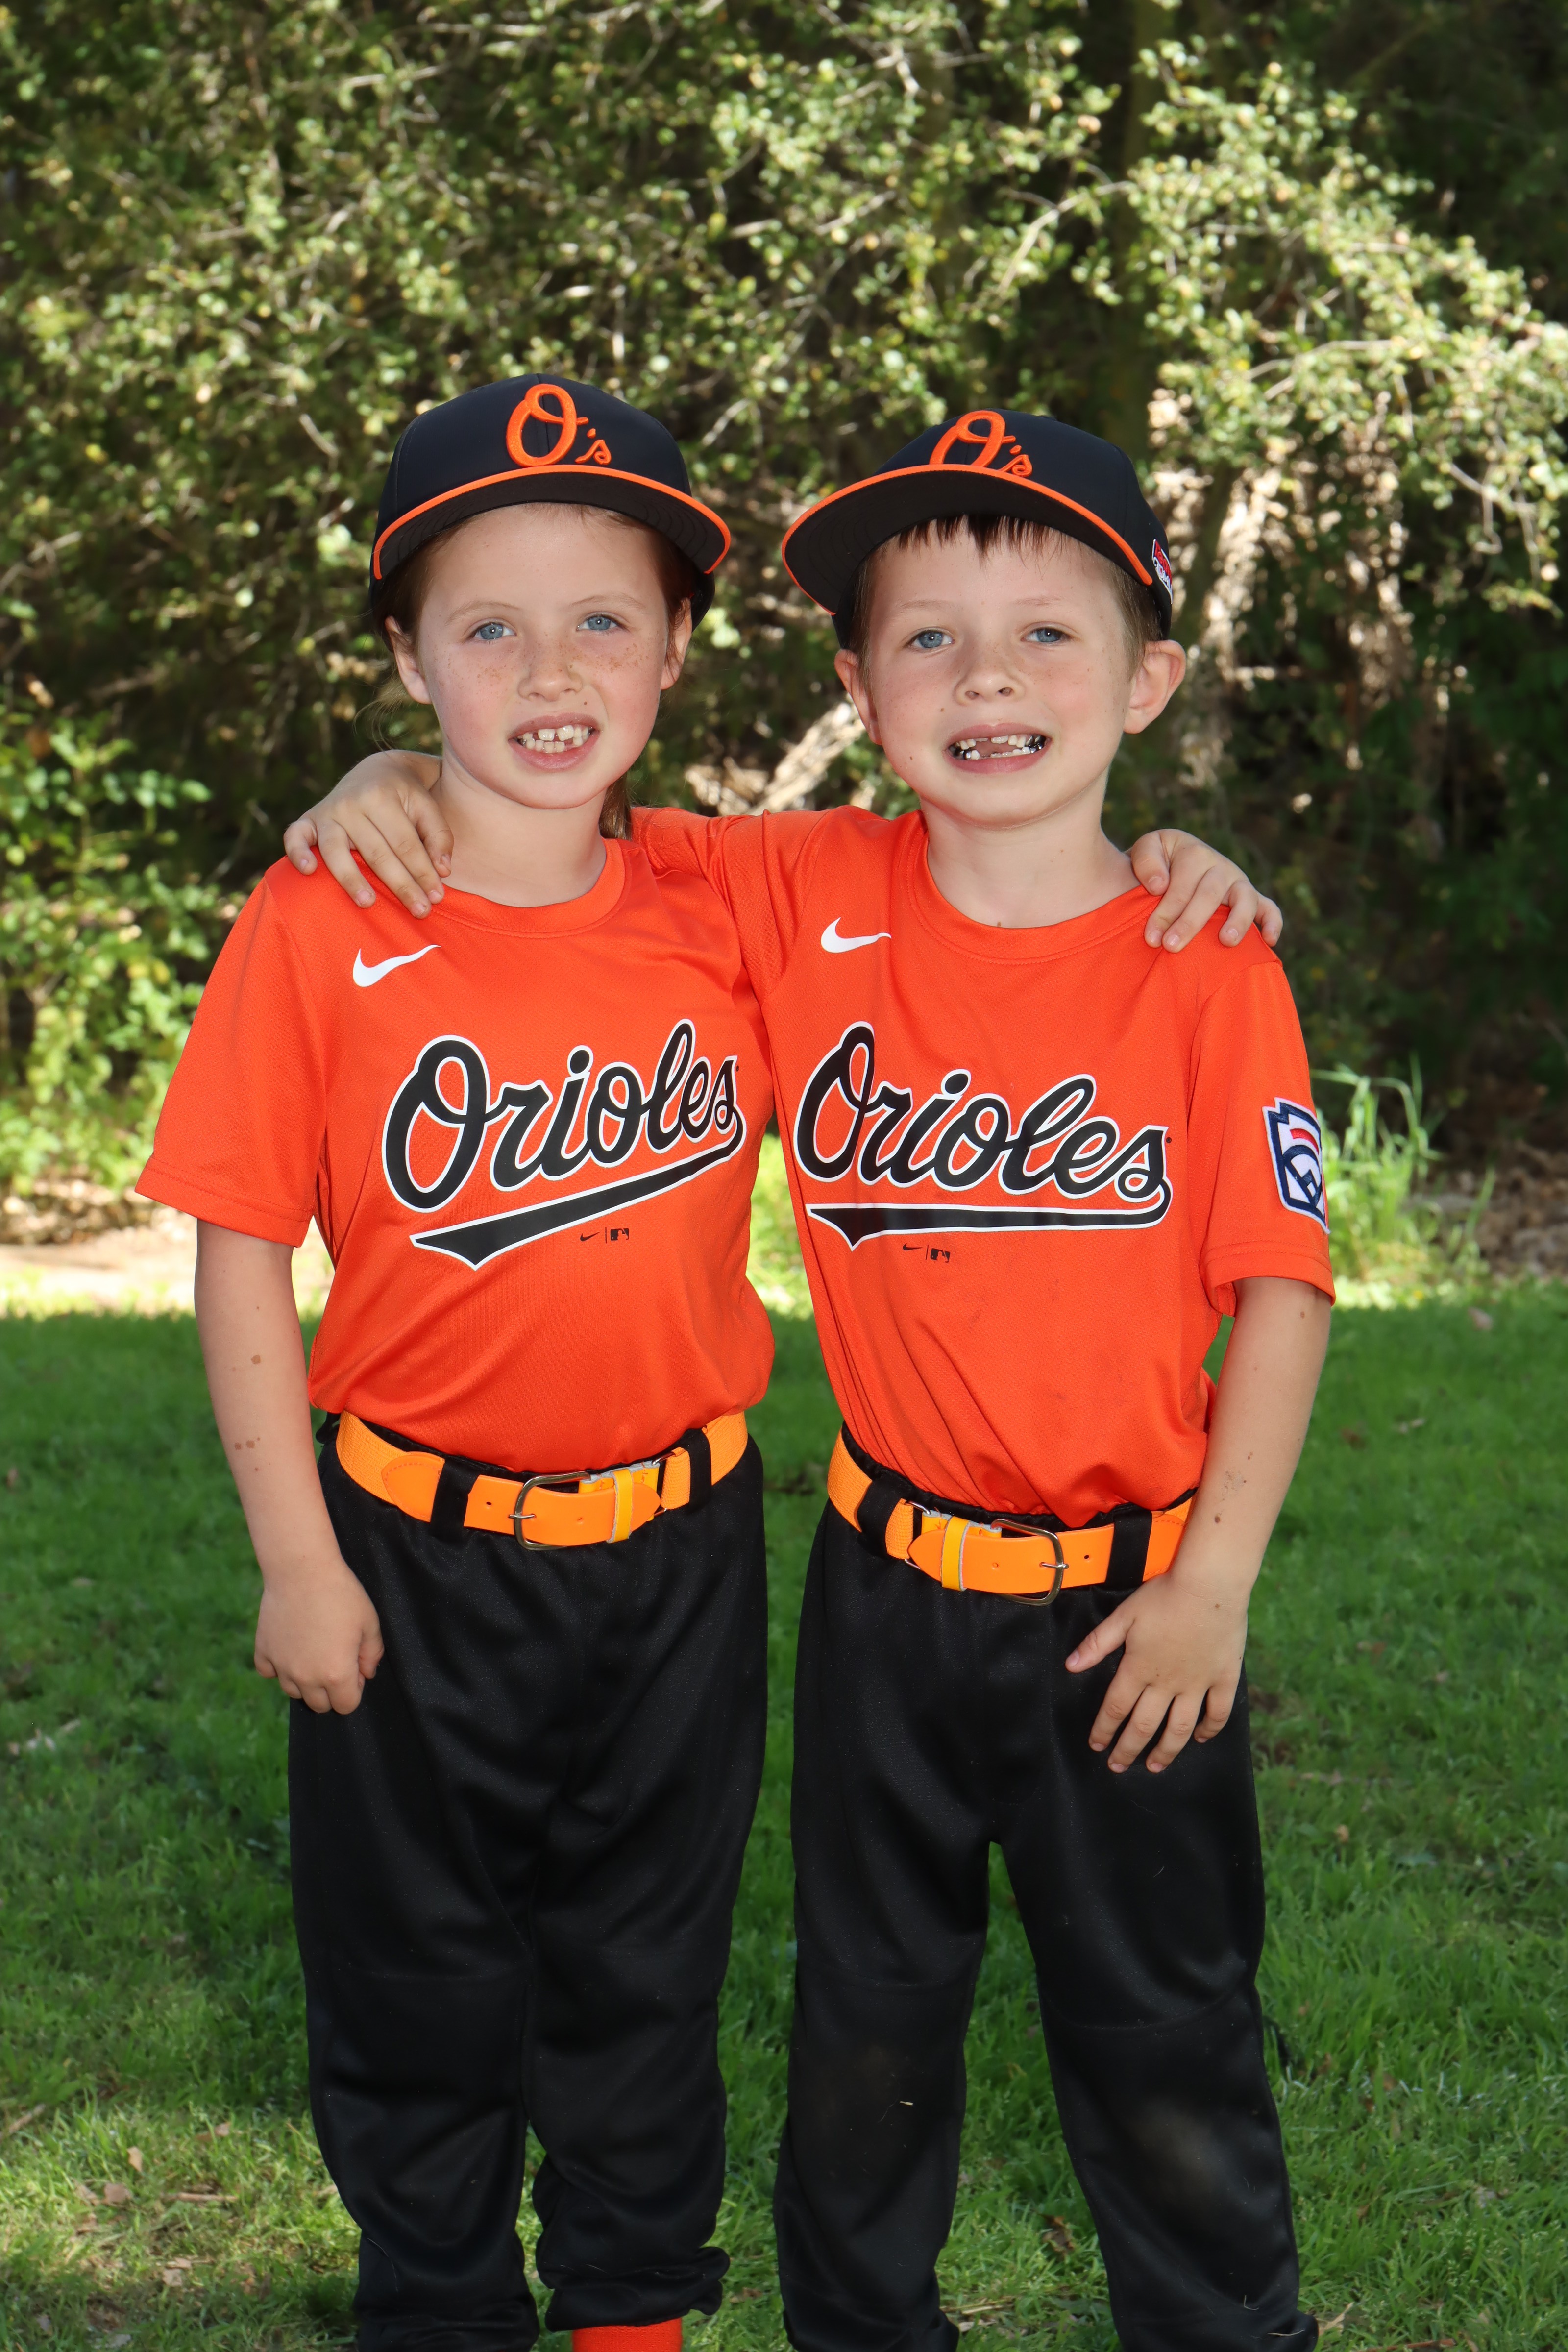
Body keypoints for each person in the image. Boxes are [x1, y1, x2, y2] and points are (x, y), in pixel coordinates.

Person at [282, 407, 1330, 2351]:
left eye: (1046, 638)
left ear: (1148, 679)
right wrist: (387, 771)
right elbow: (544, 807)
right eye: (927, 639)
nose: (986, 681)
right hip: (881, 1588)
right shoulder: (788, 893)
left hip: (1138, 1601)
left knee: (1160, 2023)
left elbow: (1283, 1290)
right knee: (866, 2021)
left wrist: (1215, 1585)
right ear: (856, 686)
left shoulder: (1203, 954)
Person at [138, 375, 781, 2352]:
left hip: (683, 1546)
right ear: (410, 658)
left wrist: (1163, 849)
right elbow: (239, 1250)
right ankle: (436, 2310)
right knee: (415, 1974)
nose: (550, 670)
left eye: (602, 618)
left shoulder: (734, 901)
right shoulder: (325, 912)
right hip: (410, 1549)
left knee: (646, 1965)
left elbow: (993, 860)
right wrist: (296, 1557)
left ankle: (630, 2317)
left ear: (676, 648)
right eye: (485, 626)